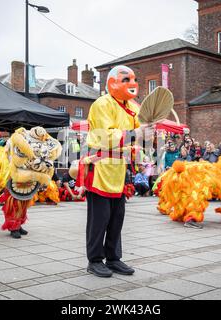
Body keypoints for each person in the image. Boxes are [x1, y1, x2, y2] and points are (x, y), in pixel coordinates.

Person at [79, 65, 150, 278]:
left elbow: (140, 134)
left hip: (119, 170)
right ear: (112, 83)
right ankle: (94, 260)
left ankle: (113, 257)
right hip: (100, 167)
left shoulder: (133, 107)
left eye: (133, 79)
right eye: (126, 79)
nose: (132, 83)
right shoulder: (102, 104)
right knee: (99, 218)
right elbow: (105, 136)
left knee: (117, 217)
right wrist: (134, 133)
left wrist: (146, 134)